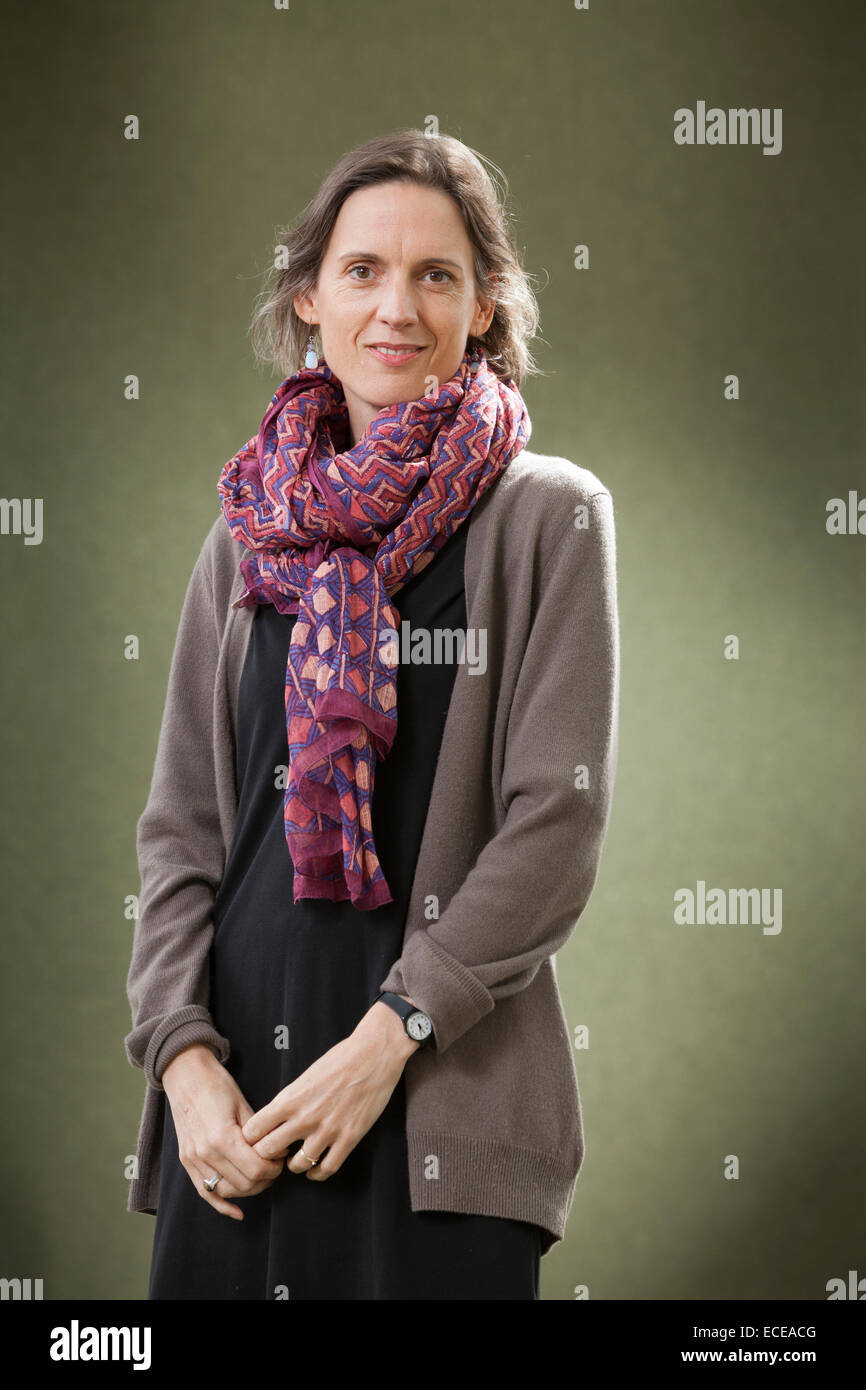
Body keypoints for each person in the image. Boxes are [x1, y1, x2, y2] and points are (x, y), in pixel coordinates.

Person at [124, 128, 620, 1300]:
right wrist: (183, 1062)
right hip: (236, 1113)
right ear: (309, 296)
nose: (395, 306)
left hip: (435, 1094)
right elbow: (183, 834)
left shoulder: (549, 516)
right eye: (361, 271)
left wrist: (387, 1035)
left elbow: (553, 823)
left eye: (436, 274)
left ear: (484, 308)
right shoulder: (247, 530)